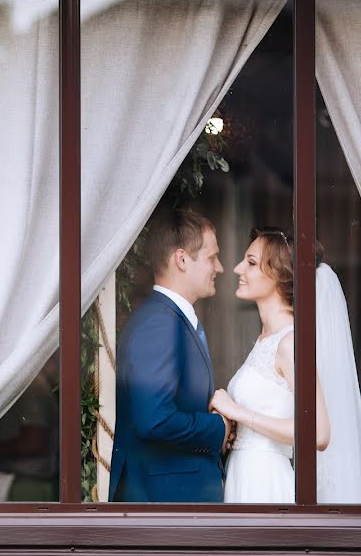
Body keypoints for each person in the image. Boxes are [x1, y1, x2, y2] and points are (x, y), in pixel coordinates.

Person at [210, 228, 361, 504]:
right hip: (244, 475)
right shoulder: (266, 339)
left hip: (265, 484)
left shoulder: (291, 343)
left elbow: (319, 433)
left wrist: (237, 411)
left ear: (278, 274)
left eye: (251, 263)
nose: (238, 268)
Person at [108, 210, 233, 503]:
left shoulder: (169, 319)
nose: (221, 267)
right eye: (212, 257)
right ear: (182, 259)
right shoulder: (159, 324)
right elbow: (154, 418)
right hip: (164, 503)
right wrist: (218, 428)